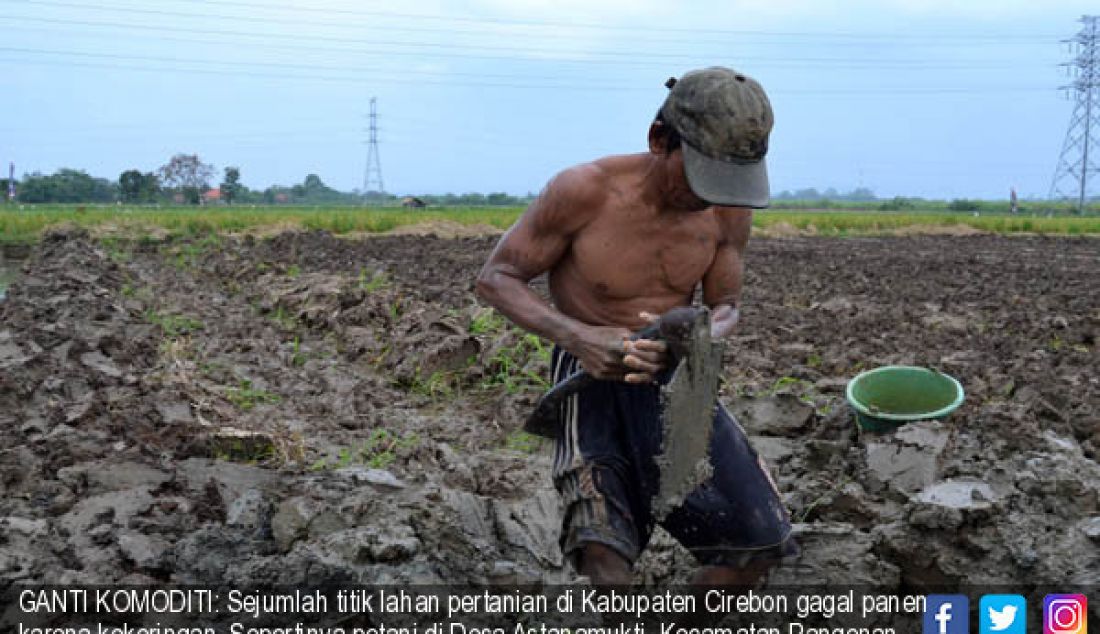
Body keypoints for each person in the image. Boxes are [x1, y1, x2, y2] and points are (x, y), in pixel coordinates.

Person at [476, 67, 797, 586]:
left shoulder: (728, 211)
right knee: (603, 553)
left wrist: (695, 339)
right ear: (659, 141)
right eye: (700, 176)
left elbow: (727, 306)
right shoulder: (584, 190)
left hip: (678, 380)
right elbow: (497, 278)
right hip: (589, 374)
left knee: (757, 547)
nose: (706, 196)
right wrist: (580, 337)